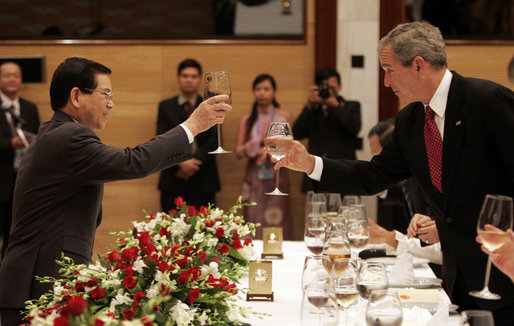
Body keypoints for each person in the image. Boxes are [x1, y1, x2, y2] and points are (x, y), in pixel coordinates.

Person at [269, 21, 514, 325]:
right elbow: (373, 175)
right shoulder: (412, 120)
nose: (385, 82)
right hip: (458, 277)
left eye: (389, 70)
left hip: (503, 272)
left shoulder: (487, 101)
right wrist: (309, 164)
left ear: (418, 66)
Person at [0, 57, 230, 325]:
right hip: (38, 281)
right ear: (76, 96)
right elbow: (132, 161)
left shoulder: (57, 133)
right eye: (105, 94)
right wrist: (192, 127)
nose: (111, 103)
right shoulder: (68, 137)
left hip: (37, 278)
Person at [157, 59, 220, 210]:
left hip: (204, 177)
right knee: (169, 230)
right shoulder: (165, 106)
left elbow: (214, 140)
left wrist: (193, 163)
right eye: (185, 76)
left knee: (206, 230)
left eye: (193, 76)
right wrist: (182, 162)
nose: (189, 80)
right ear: (179, 78)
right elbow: (161, 137)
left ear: (200, 79)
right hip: (173, 176)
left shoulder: (211, 105)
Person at [235, 74, 293, 240]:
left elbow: (291, 147)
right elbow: (238, 152)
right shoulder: (247, 119)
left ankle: (278, 250)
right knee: (252, 213)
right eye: (258, 89)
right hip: (254, 174)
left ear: (274, 92)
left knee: (278, 213)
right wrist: (257, 143)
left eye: (266, 89)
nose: (262, 93)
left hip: (277, 172)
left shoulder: (284, 117)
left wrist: (270, 150)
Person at [292, 67, 361, 193]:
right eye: (324, 87)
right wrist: (309, 106)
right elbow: (297, 133)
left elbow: (354, 128)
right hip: (316, 172)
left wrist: (335, 105)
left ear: (339, 87)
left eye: (332, 87)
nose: (328, 91)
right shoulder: (314, 111)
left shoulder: (351, 106)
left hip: (344, 172)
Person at [0, 62, 40, 260]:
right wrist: (10, 144)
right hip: (1, 178)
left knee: (13, 236)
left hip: (22, 182)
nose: (12, 79)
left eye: (16, 75)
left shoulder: (29, 108)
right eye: (7, 75)